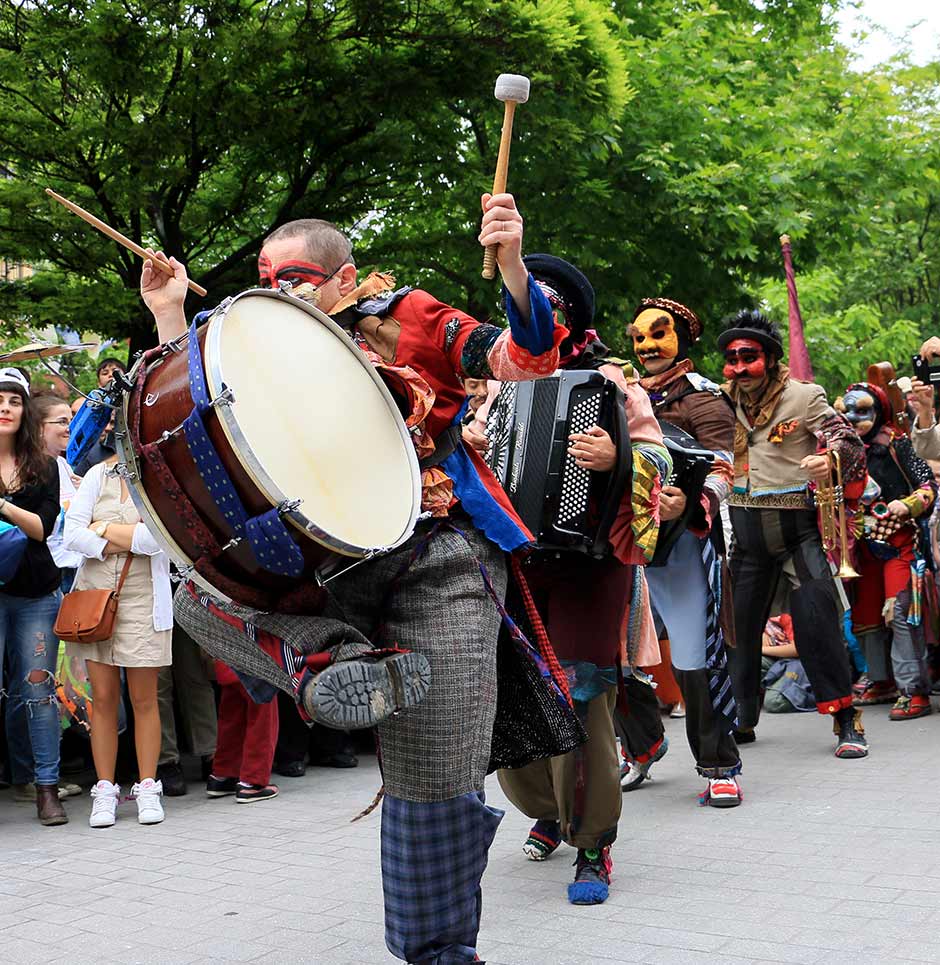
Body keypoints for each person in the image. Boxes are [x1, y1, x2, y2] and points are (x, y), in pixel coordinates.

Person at [139, 191, 568, 963]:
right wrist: (172, 317)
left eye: (297, 276)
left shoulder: (411, 317)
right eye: (268, 279)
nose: (281, 292)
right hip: (319, 574)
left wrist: (510, 264)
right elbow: (193, 420)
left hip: (439, 556)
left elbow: (524, 359)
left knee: (435, 776)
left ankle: (441, 953)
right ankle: (326, 660)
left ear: (348, 279)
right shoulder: (243, 342)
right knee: (197, 595)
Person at [492, 255, 668, 904]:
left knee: (582, 697)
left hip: (592, 563)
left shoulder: (613, 381)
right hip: (520, 562)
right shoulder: (497, 377)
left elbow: (659, 457)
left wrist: (618, 455)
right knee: (514, 694)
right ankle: (549, 806)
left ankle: (592, 843)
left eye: (545, 304)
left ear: (564, 315)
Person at [719, 310, 869, 758]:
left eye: (750, 357)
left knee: (818, 624)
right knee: (737, 633)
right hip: (745, 534)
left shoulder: (803, 397)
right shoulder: (719, 400)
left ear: (770, 357)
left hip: (798, 532)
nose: (741, 368)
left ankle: (847, 721)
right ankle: (741, 719)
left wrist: (832, 460)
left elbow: (848, 440)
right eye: (732, 358)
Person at [626, 297, 742, 806]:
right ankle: (642, 747)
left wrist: (688, 504)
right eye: (638, 336)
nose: (647, 345)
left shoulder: (705, 398)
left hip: (682, 547)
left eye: (659, 334)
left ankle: (719, 763)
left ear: (682, 340)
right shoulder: (616, 392)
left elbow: (723, 469)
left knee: (696, 654)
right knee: (614, 659)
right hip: (621, 548)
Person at [63, 455, 173, 827]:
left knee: (145, 698)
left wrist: (102, 527)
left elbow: (157, 540)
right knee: (104, 699)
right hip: (96, 597)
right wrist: (121, 537)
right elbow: (72, 535)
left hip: (145, 596)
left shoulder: (161, 475)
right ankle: (105, 790)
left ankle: (147, 787)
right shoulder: (98, 474)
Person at [836, 382, 935, 719]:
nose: (852, 418)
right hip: (859, 547)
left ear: (880, 412)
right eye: (847, 411)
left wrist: (907, 505)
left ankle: (914, 690)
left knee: (902, 614)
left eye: (862, 411)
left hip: (898, 544)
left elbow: (929, 485)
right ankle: (882, 680)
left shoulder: (897, 444)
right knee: (864, 618)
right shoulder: (837, 449)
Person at [0, 367, 68, 825]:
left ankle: (47, 788)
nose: (5, 408)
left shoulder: (43, 466)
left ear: (25, 411)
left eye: (14, 401)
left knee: (38, 692)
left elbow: (42, 530)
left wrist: (3, 505)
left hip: (35, 594)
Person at [156, 622, 218, 796]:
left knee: (196, 673)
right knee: (157, 684)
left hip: (184, 597)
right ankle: (166, 761)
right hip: (149, 603)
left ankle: (211, 752)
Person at [207, 655, 278, 802]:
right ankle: (253, 781)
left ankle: (223, 775)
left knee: (231, 718)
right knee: (262, 720)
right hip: (256, 657)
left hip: (227, 656)